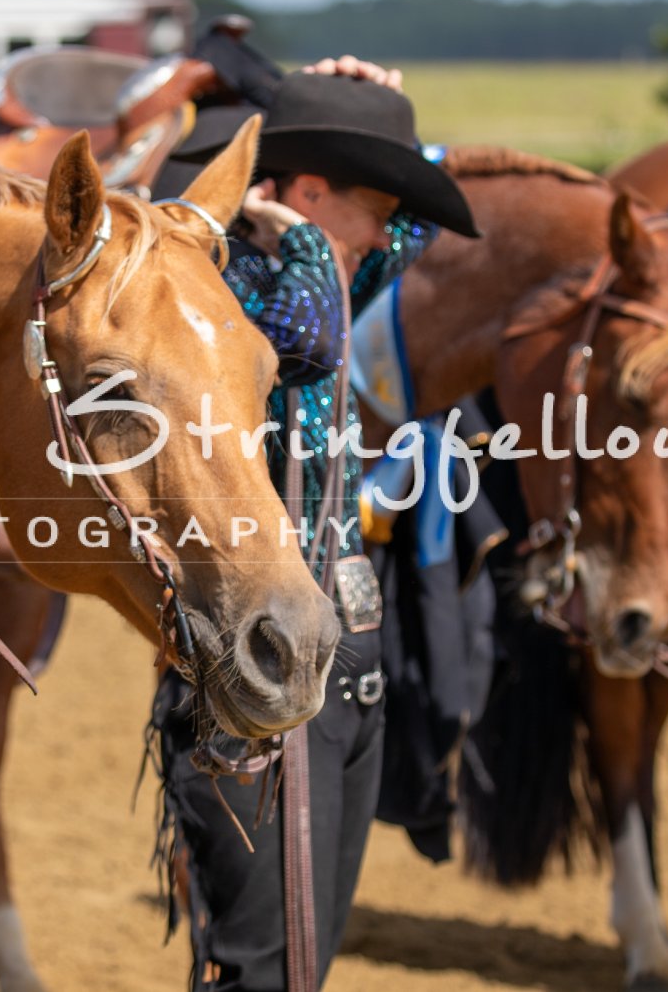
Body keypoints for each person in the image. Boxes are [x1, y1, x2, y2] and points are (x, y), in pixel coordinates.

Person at [149, 63, 480, 992]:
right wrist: (295, 235)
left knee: (311, 956)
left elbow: (421, 219)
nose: (383, 235)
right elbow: (309, 341)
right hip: (253, 663)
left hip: (342, 661)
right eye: (369, 207)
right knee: (265, 961)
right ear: (306, 192)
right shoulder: (235, 282)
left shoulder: (331, 265)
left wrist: (369, 106)